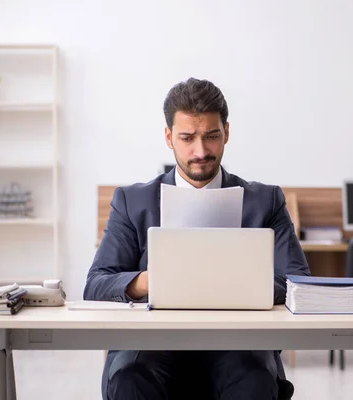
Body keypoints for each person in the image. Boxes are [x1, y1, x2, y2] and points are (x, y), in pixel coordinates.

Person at [83, 77, 311, 400]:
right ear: (168, 137)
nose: (200, 151)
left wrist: (242, 284)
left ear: (227, 133)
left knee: (255, 379)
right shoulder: (132, 202)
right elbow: (96, 283)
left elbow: (298, 281)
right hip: (153, 345)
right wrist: (149, 282)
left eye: (211, 137)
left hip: (237, 343)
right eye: (187, 138)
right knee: (129, 378)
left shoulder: (265, 201)